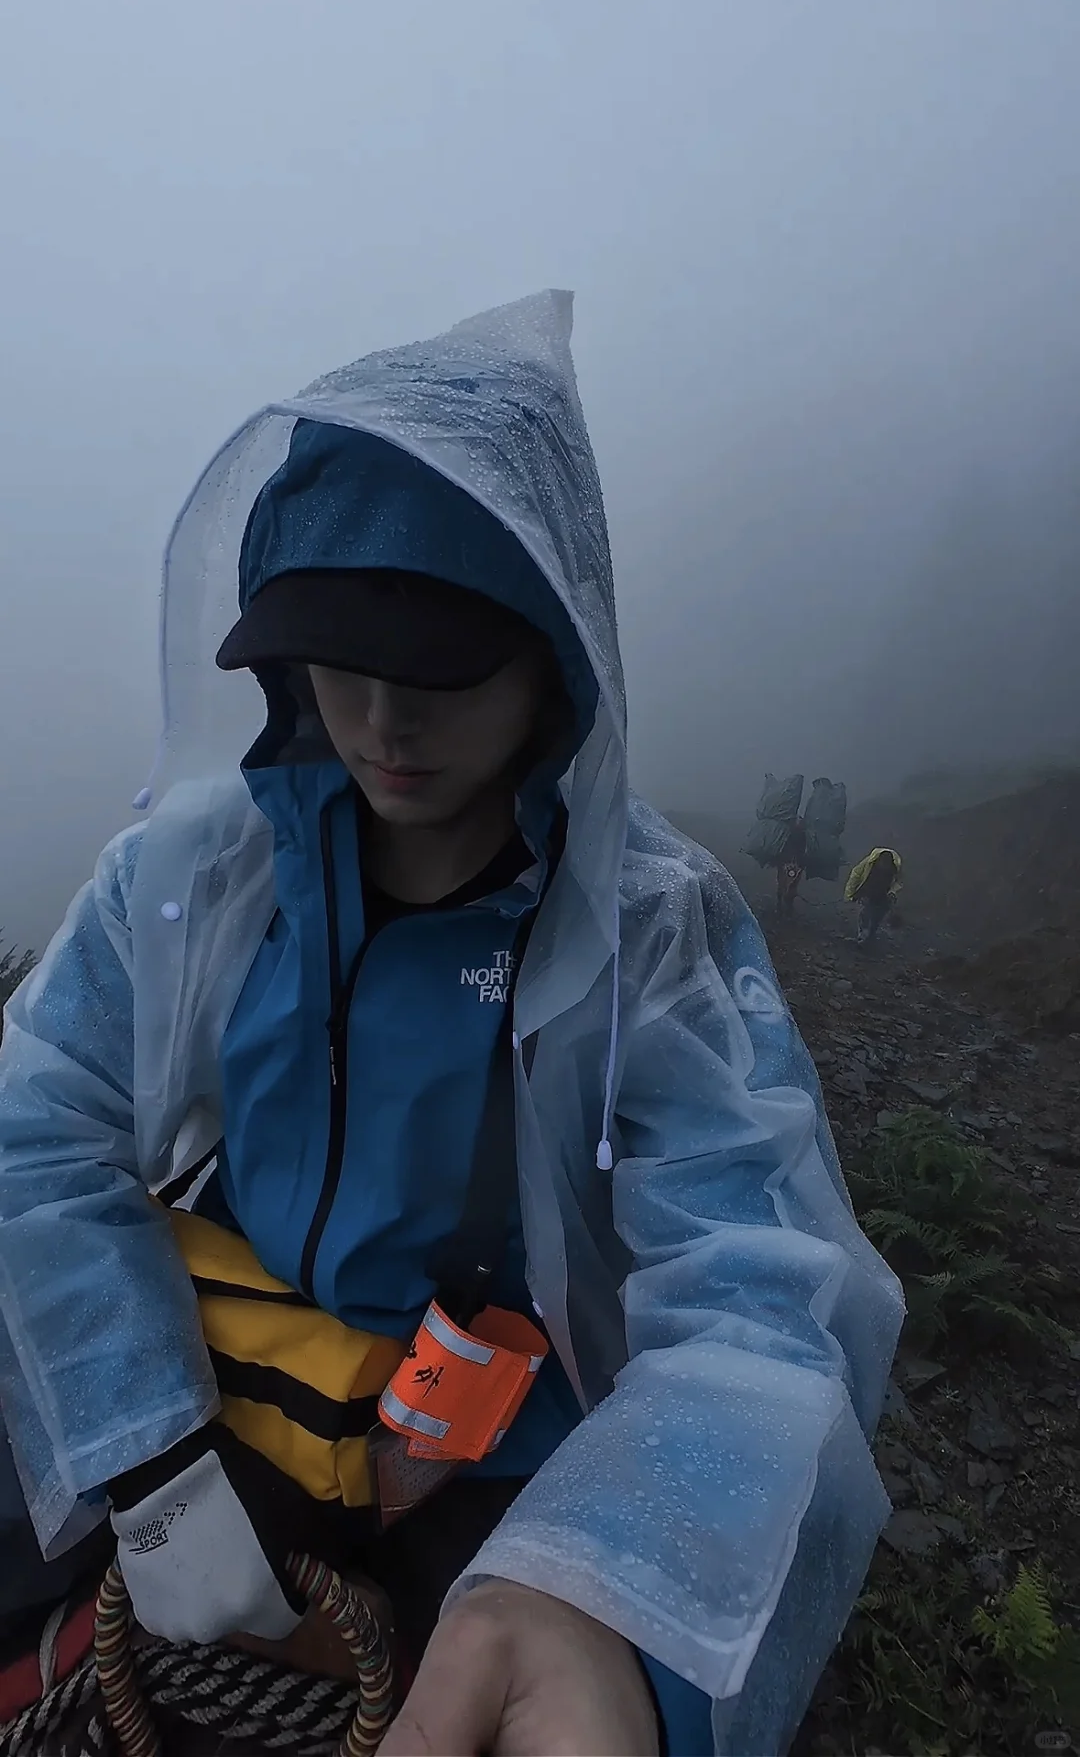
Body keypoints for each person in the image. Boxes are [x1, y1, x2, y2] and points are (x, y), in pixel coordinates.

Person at [0, 293, 903, 1757]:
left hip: (489, 1462)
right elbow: (36, 1124)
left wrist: (595, 1592)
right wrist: (147, 1455)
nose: (380, 719)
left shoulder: (648, 930)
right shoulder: (199, 872)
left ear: (557, 656)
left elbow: (766, 1295)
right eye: (335, 655)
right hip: (207, 1384)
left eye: (443, 664)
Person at [845, 847, 902, 947]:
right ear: (878, 861)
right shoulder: (868, 863)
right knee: (865, 912)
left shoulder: (895, 868)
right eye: (882, 864)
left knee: (878, 916)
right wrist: (850, 894)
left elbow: (899, 881)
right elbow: (856, 875)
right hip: (868, 891)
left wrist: (893, 892)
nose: (884, 867)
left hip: (884, 894)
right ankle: (862, 936)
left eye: (886, 865)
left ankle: (871, 935)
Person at [775, 816, 807, 920]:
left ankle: (786, 906)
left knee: (790, 884)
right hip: (787, 862)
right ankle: (781, 905)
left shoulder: (801, 835)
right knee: (784, 883)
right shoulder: (790, 833)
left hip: (793, 863)